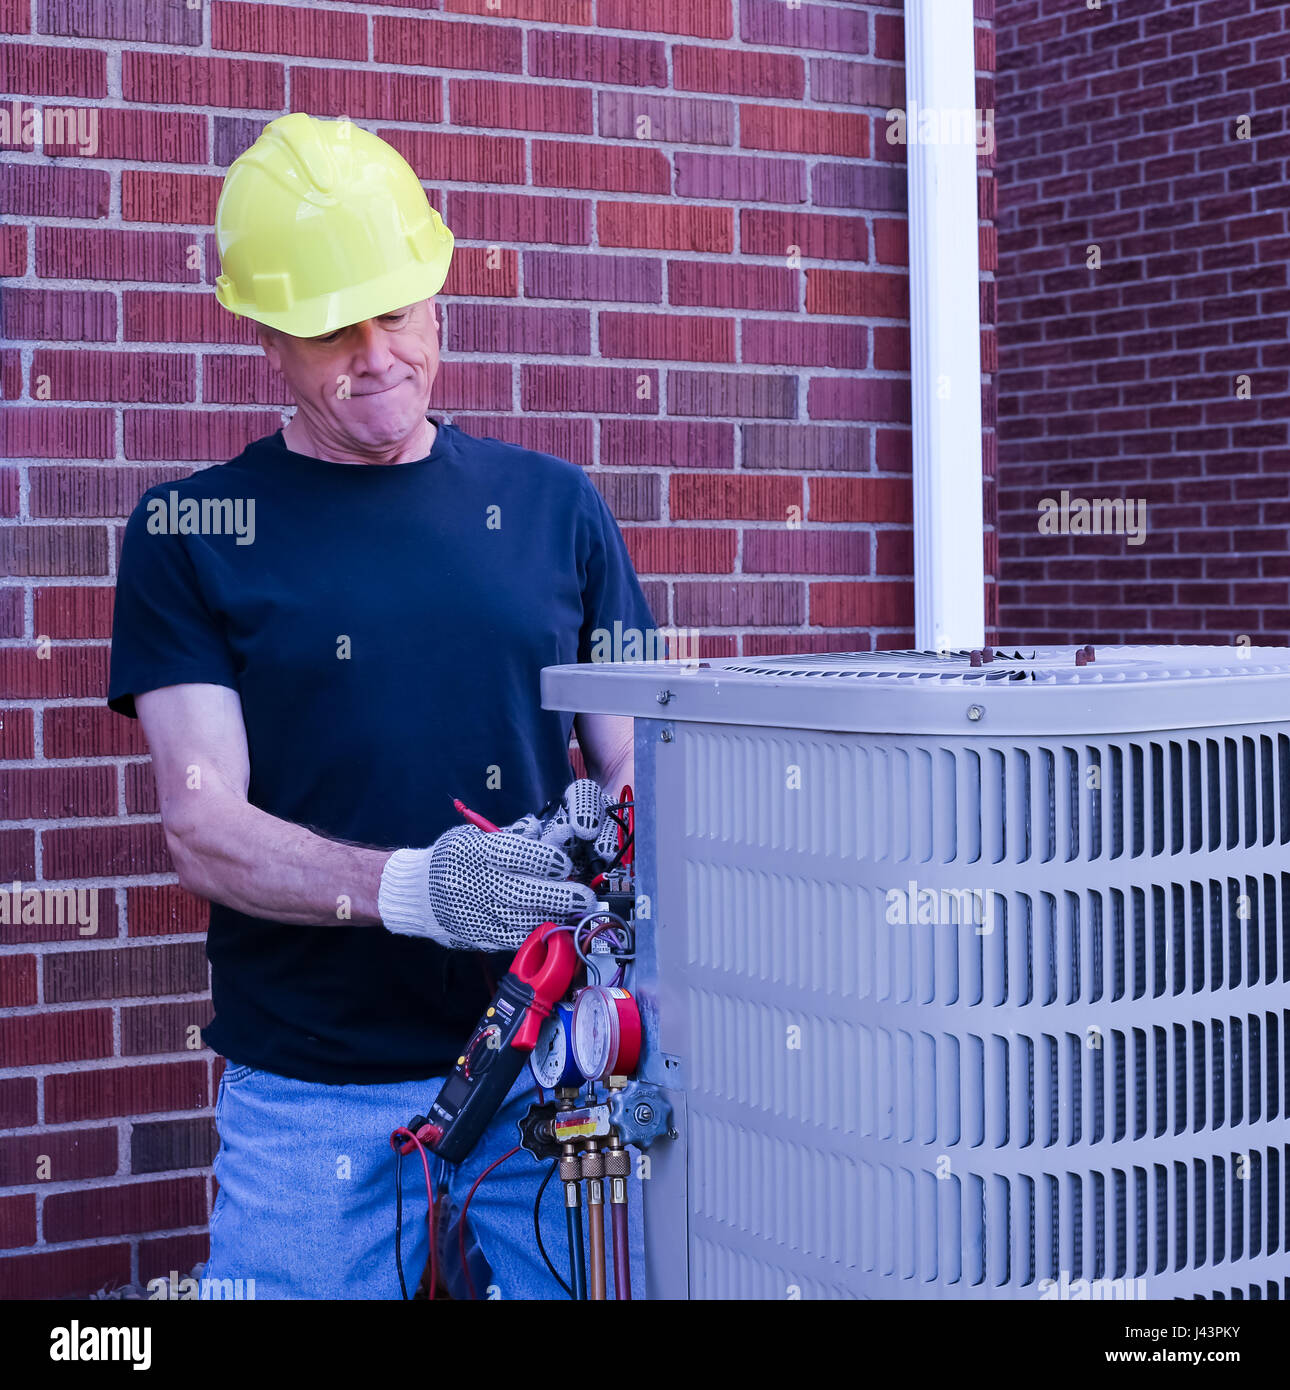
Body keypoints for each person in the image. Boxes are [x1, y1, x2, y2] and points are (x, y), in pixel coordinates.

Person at [107, 113, 656, 1299]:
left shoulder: (557, 509)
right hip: (314, 1095)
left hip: (548, 1075)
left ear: (437, 299)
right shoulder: (192, 532)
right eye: (330, 328)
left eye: (397, 312)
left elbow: (636, 770)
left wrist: (610, 845)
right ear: (264, 333)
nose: (377, 354)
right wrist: (419, 887)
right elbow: (206, 825)